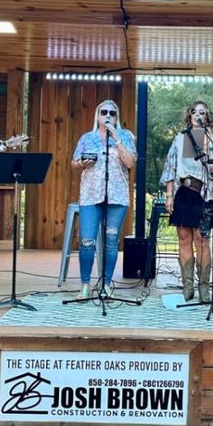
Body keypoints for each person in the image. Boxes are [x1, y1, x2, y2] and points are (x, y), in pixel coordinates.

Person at [161, 100, 213, 302]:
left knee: (202, 240)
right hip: (184, 191)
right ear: (189, 115)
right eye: (194, 111)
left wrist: (207, 147)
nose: (198, 114)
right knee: (184, 238)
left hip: (204, 193)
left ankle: (204, 287)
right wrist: (169, 195)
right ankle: (187, 286)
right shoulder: (180, 139)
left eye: (202, 112)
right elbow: (170, 167)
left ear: (208, 117)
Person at [71, 99, 137, 299]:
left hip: (117, 195)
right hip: (91, 194)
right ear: (97, 116)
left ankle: (106, 284)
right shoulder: (87, 137)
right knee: (87, 241)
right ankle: (85, 285)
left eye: (112, 113)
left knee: (111, 240)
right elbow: (74, 163)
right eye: (104, 112)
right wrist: (82, 163)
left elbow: (130, 163)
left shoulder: (125, 136)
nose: (107, 116)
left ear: (117, 117)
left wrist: (116, 138)